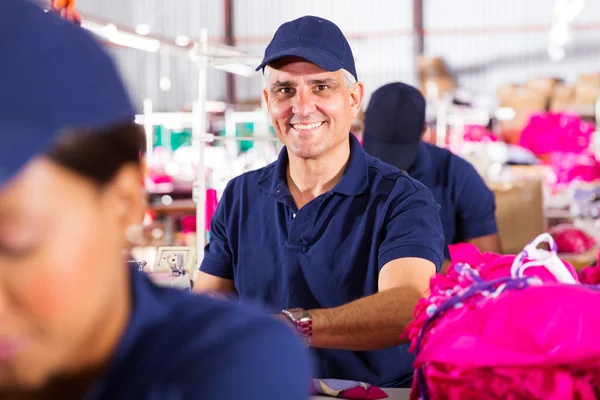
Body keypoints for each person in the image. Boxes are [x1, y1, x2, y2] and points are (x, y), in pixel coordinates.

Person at [0, 1, 310, 399]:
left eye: (16, 240)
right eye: (286, 90)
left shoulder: (225, 366)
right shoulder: (243, 195)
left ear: (124, 201)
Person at [194, 15, 445, 388]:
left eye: (321, 86)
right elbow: (207, 299)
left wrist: (295, 326)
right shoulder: (240, 196)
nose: (302, 106)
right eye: (285, 90)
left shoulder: (401, 198)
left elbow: (408, 305)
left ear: (354, 98)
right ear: (268, 101)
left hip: (375, 394)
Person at [362, 82, 501, 263]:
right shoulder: (339, 170)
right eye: (381, 153)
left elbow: (488, 266)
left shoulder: (458, 176)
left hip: (435, 285)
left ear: (424, 131)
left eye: (398, 155)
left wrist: (426, 268)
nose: (388, 167)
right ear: (363, 124)